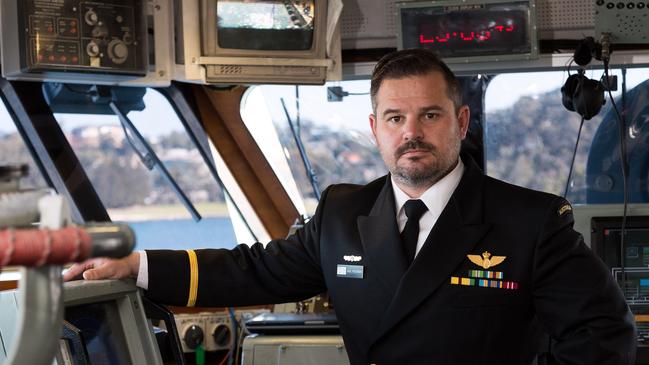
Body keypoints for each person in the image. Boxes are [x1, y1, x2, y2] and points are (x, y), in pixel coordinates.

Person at [65, 49, 636, 364]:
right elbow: (255, 271)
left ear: (460, 123)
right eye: (395, 119)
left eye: (430, 116)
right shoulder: (342, 213)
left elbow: (606, 336)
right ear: (375, 129)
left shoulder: (530, 221)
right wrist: (135, 269)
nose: (412, 133)